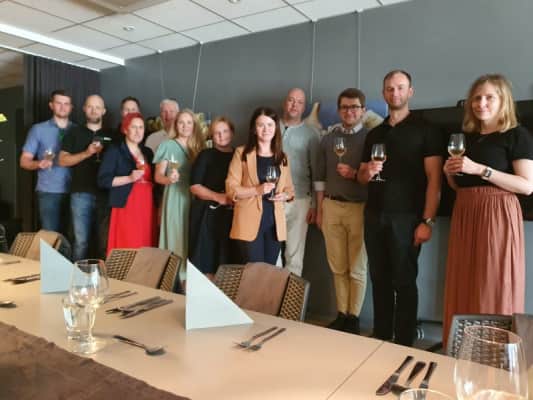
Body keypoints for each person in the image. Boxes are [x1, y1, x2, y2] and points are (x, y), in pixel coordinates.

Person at [442, 74, 533, 345]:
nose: (481, 103)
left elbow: (527, 185)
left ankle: (493, 352)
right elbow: (460, 186)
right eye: (476, 98)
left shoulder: (517, 135)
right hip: (465, 211)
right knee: (463, 279)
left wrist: (481, 169)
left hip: (497, 213)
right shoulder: (466, 138)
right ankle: (462, 348)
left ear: (503, 100)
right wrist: (450, 173)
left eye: (489, 97)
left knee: (493, 282)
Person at [358, 70, 442, 346]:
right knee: (378, 279)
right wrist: (367, 172)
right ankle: (381, 336)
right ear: (384, 93)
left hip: (408, 218)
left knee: (404, 282)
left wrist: (427, 222)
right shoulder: (375, 134)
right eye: (390, 88)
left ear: (410, 92)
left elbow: (435, 180)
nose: (395, 93)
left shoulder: (426, 130)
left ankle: (404, 341)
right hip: (374, 215)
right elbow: (361, 177)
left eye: (400, 87)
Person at [315, 88, 369, 334]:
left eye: (354, 107)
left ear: (363, 110)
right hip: (331, 206)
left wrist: (355, 174)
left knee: (357, 267)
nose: (349, 112)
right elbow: (319, 177)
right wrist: (319, 209)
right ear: (339, 111)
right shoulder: (328, 139)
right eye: (345, 107)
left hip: (360, 208)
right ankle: (342, 314)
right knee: (337, 266)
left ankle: (354, 318)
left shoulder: (370, 138)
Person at [226, 107, 294, 265]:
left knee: (268, 272)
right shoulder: (242, 153)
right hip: (248, 223)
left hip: (274, 225)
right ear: (254, 129)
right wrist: (257, 190)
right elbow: (231, 188)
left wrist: (285, 195)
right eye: (261, 125)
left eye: (270, 125)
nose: (266, 129)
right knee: (253, 272)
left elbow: (290, 190)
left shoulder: (282, 157)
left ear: (276, 128)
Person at [98, 112, 156, 254]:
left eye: (141, 127)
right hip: (126, 205)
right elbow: (103, 180)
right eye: (133, 127)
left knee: (146, 245)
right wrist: (129, 178)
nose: (138, 131)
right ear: (125, 129)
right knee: (128, 244)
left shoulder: (147, 152)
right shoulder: (115, 150)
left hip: (147, 206)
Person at [58, 94, 108, 260]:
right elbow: (62, 160)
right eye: (90, 106)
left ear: (104, 111)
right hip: (80, 193)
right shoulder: (74, 132)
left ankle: (104, 275)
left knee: (104, 243)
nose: (94, 110)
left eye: (98, 107)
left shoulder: (112, 134)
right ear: (84, 109)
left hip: (106, 195)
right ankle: (76, 275)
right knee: (81, 242)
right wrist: (87, 153)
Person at [154, 109, 204, 269]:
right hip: (175, 196)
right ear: (176, 125)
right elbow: (158, 176)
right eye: (181, 122)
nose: (185, 126)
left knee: (193, 237)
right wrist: (168, 179)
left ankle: (191, 276)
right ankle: (176, 276)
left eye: (189, 122)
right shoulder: (167, 145)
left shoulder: (199, 147)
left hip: (196, 197)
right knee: (176, 236)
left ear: (194, 125)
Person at [20, 89, 74, 234]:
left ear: (71, 107)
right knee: (50, 238)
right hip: (49, 191)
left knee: (72, 237)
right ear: (51, 105)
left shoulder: (77, 130)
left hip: (74, 191)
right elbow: (24, 161)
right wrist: (39, 163)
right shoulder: (38, 129)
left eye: (66, 104)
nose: (63, 107)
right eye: (59, 103)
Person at [189, 117, 236, 280]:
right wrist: (219, 197)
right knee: (207, 263)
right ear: (212, 136)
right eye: (217, 133)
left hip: (231, 216)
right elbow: (194, 186)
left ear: (232, 132)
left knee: (228, 264)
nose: (221, 136)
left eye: (225, 131)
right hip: (207, 216)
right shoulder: (205, 155)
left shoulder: (240, 155)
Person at [280, 88, 320, 276]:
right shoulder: (270, 126)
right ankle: (268, 294)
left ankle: (290, 296)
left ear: (304, 107)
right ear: (285, 103)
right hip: (271, 198)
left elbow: (317, 172)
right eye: (291, 100)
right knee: (269, 255)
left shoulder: (311, 134)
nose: (294, 105)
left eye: (299, 102)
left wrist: (314, 205)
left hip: (300, 199)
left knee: (294, 257)